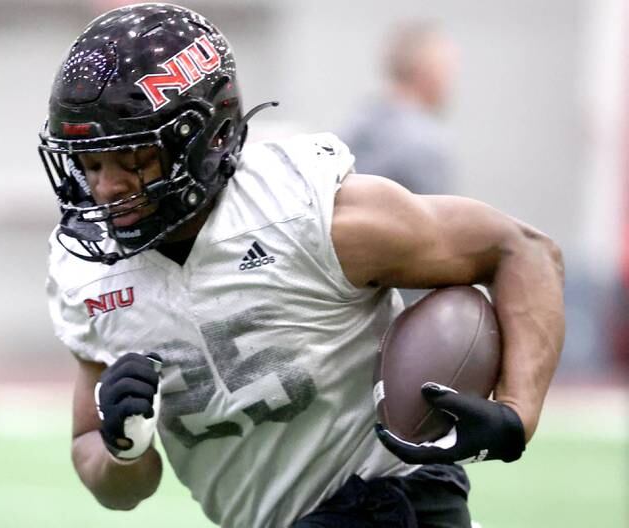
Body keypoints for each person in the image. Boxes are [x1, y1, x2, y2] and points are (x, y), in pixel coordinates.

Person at [39, 4, 565, 527]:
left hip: (384, 499)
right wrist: (123, 449)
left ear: (204, 139)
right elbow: (112, 478)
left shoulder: (304, 212)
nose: (107, 187)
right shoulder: (88, 272)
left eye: (134, 160)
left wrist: (518, 410)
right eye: (91, 163)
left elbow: (521, 249)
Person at [343, 21, 458, 196]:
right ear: (426, 71)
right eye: (447, 70)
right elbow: (435, 219)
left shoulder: (358, 122)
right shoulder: (425, 144)